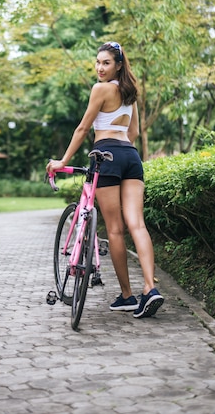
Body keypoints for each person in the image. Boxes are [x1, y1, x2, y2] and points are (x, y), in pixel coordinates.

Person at [46, 41, 164, 318]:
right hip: (130, 156)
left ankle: (127, 296)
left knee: (115, 229)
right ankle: (150, 288)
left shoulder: (100, 89)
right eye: (97, 62)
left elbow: (83, 127)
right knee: (138, 224)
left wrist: (62, 161)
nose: (100, 68)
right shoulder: (129, 93)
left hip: (106, 155)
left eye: (106, 63)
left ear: (119, 65)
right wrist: (122, 149)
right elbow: (132, 132)